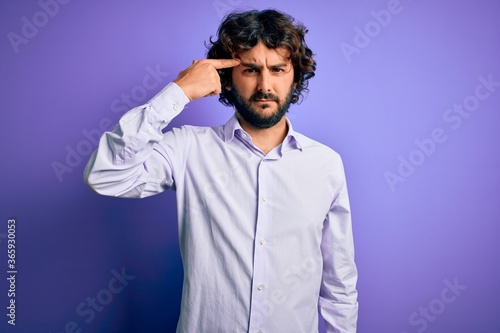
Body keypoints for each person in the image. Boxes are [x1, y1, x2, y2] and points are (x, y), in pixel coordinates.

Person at [84, 9, 358, 333]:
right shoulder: (188, 148)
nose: (265, 84)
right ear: (227, 77)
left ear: (294, 76)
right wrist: (179, 91)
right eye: (251, 69)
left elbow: (339, 284)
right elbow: (104, 174)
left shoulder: (325, 165)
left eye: (278, 69)